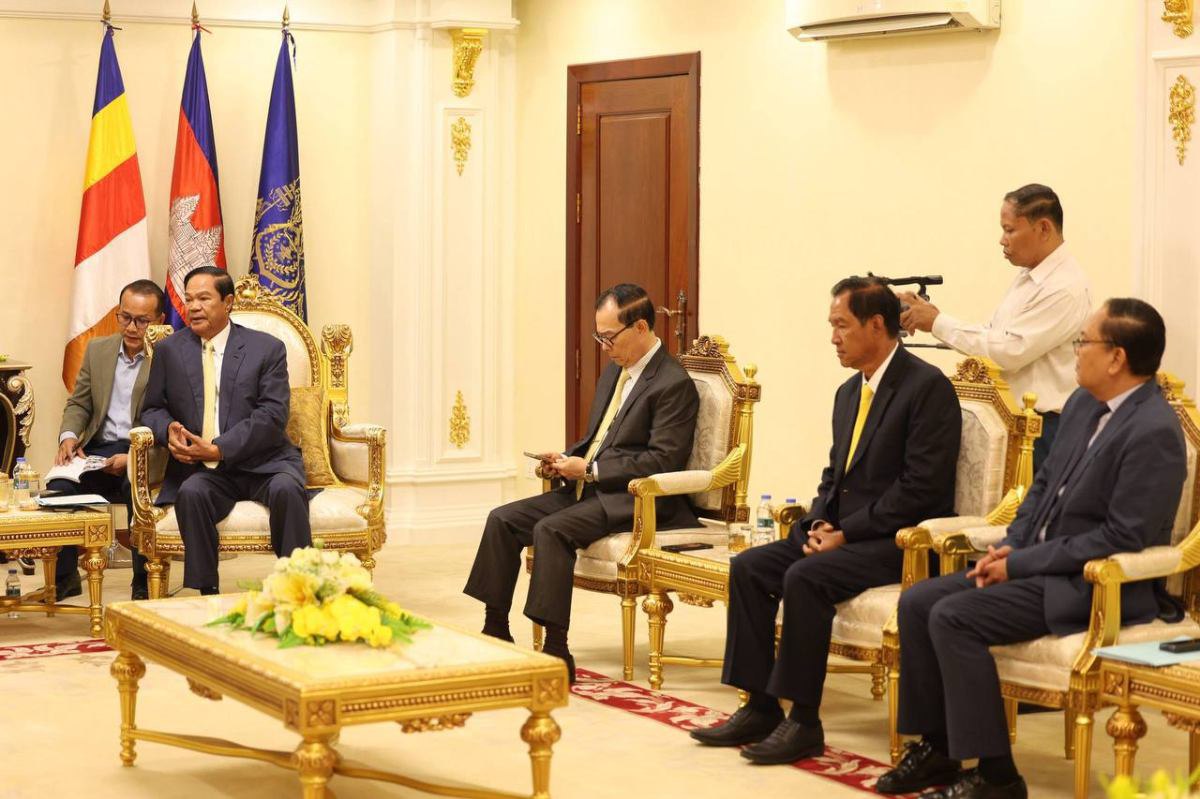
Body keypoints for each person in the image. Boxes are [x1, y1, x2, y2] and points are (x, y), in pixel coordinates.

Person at [878, 298, 1185, 799]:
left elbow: (1120, 538)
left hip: (1089, 586)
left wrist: (1021, 563)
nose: (1076, 351)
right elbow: (1040, 490)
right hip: (1037, 567)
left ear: (1117, 358)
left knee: (954, 616)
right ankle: (939, 748)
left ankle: (998, 776)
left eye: (1084, 341)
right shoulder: (1082, 404)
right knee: (917, 602)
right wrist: (1009, 548)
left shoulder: (1154, 432)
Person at [691, 276, 961, 765]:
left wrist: (847, 533)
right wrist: (818, 523)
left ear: (876, 325)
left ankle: (804, 721)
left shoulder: (927, 388)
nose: (833, 337)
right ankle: (760, 706)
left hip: (899, 541)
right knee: (750, 567)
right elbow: (835, 475)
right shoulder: (848, 392)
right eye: (831, 325)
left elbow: (921, 488)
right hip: (843, 535)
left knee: (805, 576)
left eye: (842, 325)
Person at [464, 283, 699, 681]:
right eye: (599, 337)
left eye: (609, 337)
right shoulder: (615, 372)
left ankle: (557, 651)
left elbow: (663, 460)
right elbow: (601, 439)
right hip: (591, 487)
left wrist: (591, 470)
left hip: (635, 499)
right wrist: (566, 459)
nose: (604, 347)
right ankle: (496, 630)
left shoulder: (672, 383)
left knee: (551, 530)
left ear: (641, 327)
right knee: (502, 519)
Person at [139, 265, 311, 594]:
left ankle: (299, 587)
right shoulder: (169, 350)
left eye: (204, 298)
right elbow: (152, 409)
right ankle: (204, 594)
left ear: (228, 302)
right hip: (206, 469)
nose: (194, 307)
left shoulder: (266, 349)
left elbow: (272, 414)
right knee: (192, 494)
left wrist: (220, 448)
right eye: (189, 299)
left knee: (288, 491)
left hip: (266, 463)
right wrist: (168, 429)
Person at [899, 184, 1092, 471]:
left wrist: (937, 322)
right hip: (1012, 422)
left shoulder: (1064, 287)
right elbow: (994, 335)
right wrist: (931, 318)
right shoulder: (1029, 277)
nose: (1002, 240)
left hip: (1041, 431)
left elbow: (1009, 352)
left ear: (1043, 228)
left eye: (1010, 230)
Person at [47, 279, 166, 601]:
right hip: (98, 449)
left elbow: (174, 419)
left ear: (159, 321)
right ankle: (66, 577)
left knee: (135, 487)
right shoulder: (98, 350)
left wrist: (134, 458)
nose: (131, 327)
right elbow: (79, 403)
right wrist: (68, 436)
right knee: (59, 487)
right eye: (125, 317)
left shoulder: (169, 357)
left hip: (144, 449)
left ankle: (143, 582)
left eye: (142, 321)